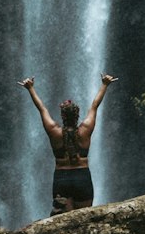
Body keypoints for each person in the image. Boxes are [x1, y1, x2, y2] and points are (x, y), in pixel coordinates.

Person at [19, 73, 117, 214]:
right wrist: (105, 85)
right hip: (82, 177)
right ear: (77, 116)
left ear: (62, 116)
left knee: (64, 222)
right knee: (84, 219)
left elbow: (42, 109)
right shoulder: (85, 130)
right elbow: (95, 106)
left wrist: (30, 89)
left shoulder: (54, 132)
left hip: (61, 178)